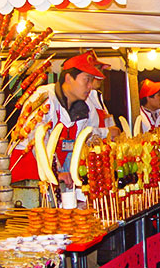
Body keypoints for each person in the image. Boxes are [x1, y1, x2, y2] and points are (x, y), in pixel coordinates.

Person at [10, 50, 110, 188]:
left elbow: (89, 137)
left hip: (59, 174)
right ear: (68, 78)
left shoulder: (86, 106)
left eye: (92, 80)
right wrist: (53, 173)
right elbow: (37, 141)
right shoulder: (44, 97)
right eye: (86, 79)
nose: (90, 86)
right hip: (28, 173)